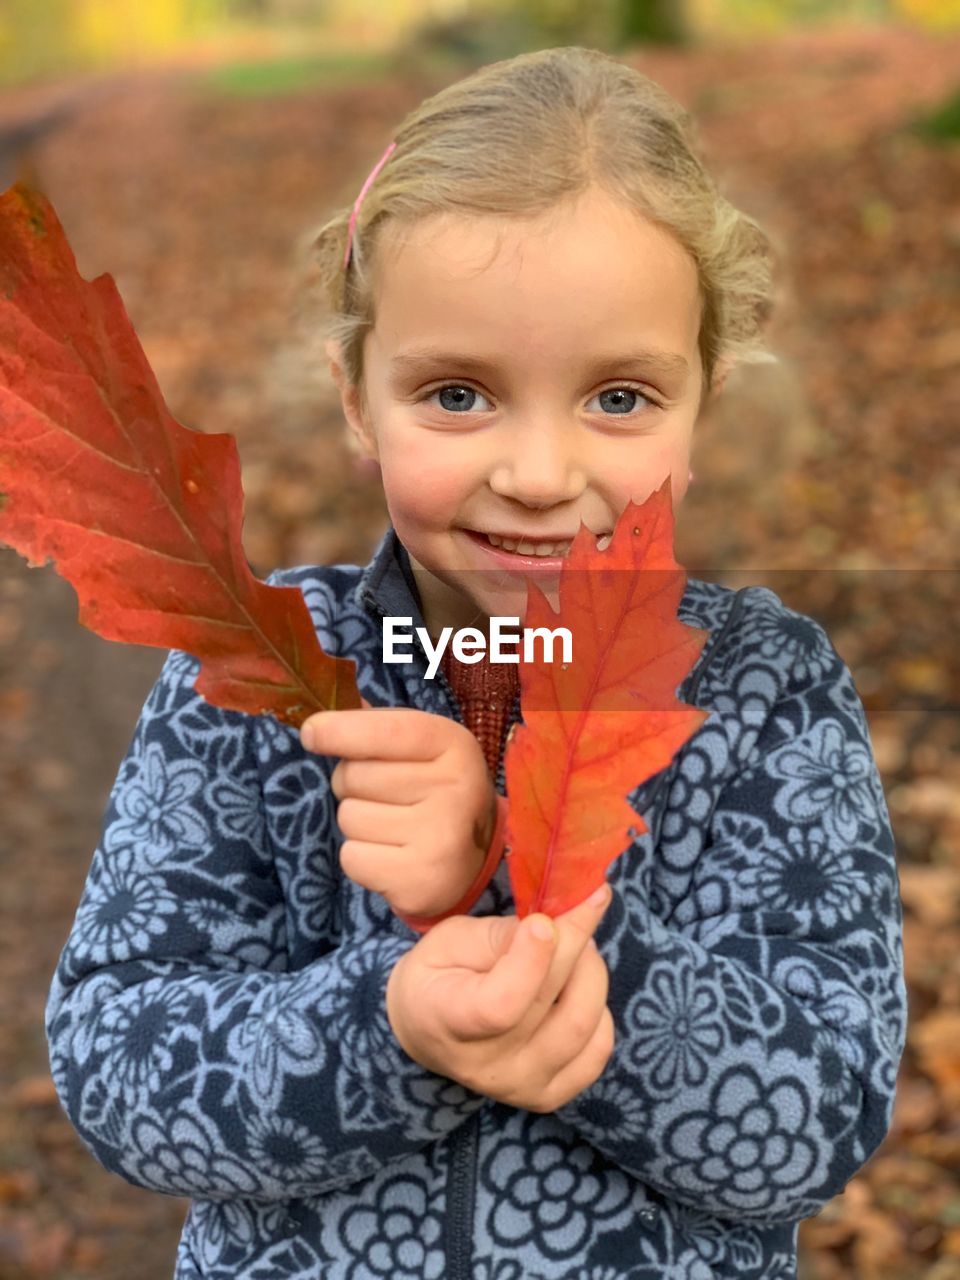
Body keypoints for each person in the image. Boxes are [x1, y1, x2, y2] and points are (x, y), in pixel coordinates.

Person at [45, 45, 907, 1280]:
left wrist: (546, 924)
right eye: (458, 393)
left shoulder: (766, 688)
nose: (542, 472)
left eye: (619, 396)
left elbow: (816, 1118)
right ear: (357, 397)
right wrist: (388, 1021)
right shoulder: (252, 677)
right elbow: (120, 1063)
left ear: (703, 398)